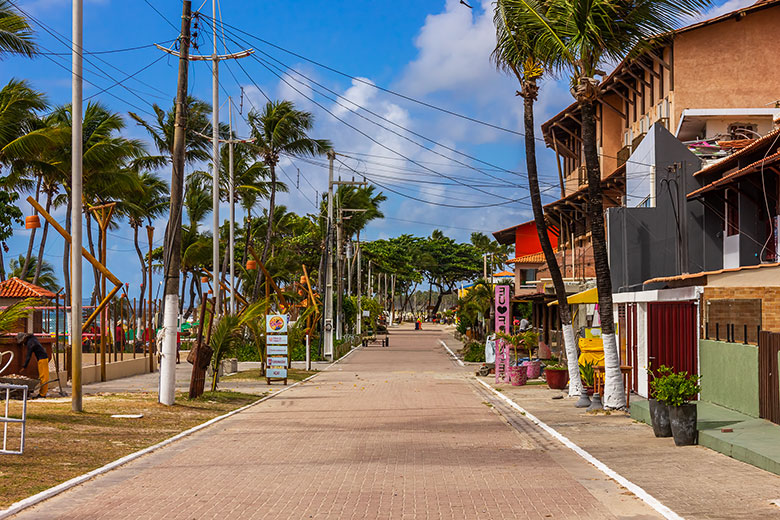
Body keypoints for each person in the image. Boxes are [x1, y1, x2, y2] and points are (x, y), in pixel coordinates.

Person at [17, 333, 49, 397]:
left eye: (22, 341)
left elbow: (28, 356)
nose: (22, 342)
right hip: (43, 358)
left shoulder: (30, 343)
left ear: (24, 338)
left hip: (42, 359)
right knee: (43, 376)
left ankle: (43, 394)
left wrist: (24, 366)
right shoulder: (33, 339)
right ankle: (43, 393)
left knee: (43, 377)